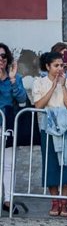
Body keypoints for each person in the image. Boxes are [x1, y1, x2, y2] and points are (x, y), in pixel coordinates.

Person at [32, 52, 67, 217]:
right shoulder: (39, 82)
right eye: (56, 65)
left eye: (61, 65)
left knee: (66, 164)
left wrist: (61, 85)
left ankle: (64, 200)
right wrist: (52, 86)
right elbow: (38, 105)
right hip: (48, 127)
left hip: (65, 126)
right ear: (48, 67)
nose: (60, 68)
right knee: (51, 163)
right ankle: (54, 200)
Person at [0, 43, 28, 213]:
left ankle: (8, 199)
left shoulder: (14, 78)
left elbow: (23, 99)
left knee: (10, 164)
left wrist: (12, 79)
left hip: (9, 125)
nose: (1, 59)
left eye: (3, 56)